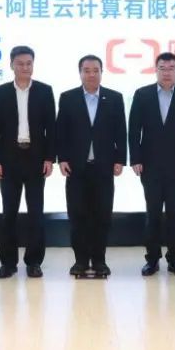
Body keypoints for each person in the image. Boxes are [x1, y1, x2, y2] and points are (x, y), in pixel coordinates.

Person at [128, 52, 175, 277]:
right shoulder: (142, 94)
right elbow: (134, 130)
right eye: (162, 68)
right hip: (149, 165)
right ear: (155, 70)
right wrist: (136, 159)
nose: (167, 72)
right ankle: (152, 259)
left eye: (171, 68)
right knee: (153, 214)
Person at [55, 55, 126, 278]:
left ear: (102, 72)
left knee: (102, 216)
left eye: (96, 70)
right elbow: (61, 131)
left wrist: (120, 159)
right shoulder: (68, 98)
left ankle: (99, 261)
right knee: (78, 216)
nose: (91, 74)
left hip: (104, 167)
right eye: (86, 70)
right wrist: (62, 158)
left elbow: (120, 131)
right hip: (76, 168)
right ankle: (80, 261)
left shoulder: (114, 98)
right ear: (80, 73)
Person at [0, 45, 56, 279]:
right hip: (8, 159)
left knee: (36, 213)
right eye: (20, 63)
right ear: (11, 65)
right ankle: (8, 263)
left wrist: (50, 158)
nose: (25, 67)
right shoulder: (0, 93)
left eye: (29, 63)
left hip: (36, 158)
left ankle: (34, 261)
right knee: (9, 213)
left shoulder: (44, 91)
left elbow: (51, 128)